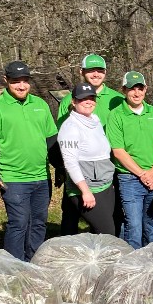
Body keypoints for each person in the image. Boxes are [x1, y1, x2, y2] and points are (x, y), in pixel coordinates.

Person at [0, 60, 57, 261]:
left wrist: (59, 167)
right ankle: (14, 265)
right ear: (6, 80)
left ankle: (33, 261)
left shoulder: (40, 105)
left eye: (25, 81)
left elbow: (51, 140)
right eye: (16, 81)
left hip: (41, 177)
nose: (21, 86)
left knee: (39, 222)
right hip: (13, 178)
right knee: (19, 223)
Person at [53, 53, 125, 236]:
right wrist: (68, 174)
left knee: (109, 222)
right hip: (82, 178)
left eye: (99, 70)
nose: (95, 74)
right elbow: (68, 152)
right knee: (72, 218)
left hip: (107, 174)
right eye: (91, 70)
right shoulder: (68, 113)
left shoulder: (112, 104)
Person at [107, 71, 153, 248]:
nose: (136, 93)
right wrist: (142, 174)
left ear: (145, 89)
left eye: (140, 88)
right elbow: (118, 151)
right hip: (129, 178)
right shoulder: (116, 115)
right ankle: (133, 261)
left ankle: (151, 259)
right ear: (124, 90)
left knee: (152, 226)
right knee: (133, 226)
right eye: (132, 89)